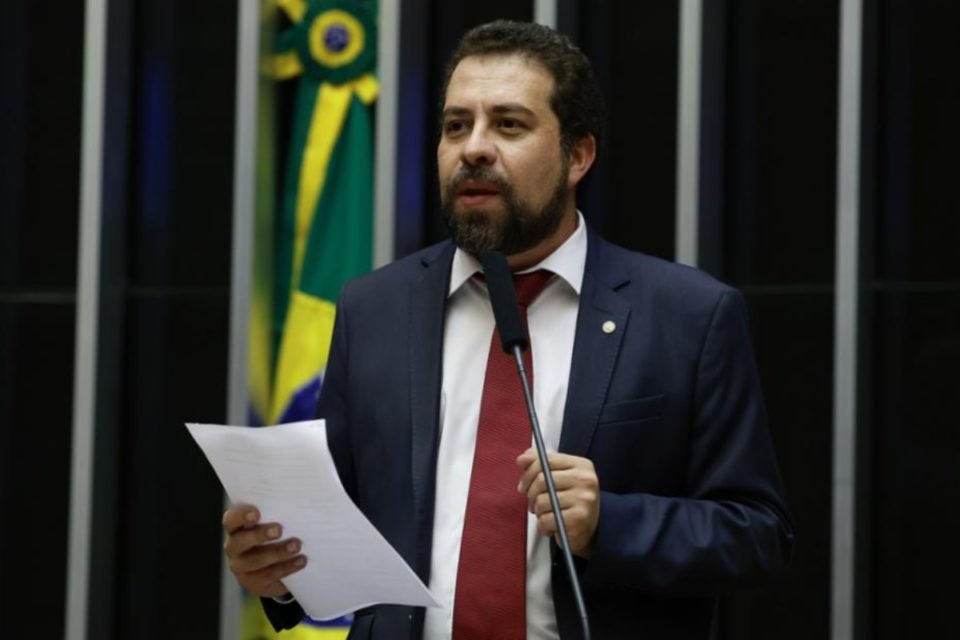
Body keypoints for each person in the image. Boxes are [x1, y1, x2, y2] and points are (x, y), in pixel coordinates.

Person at [222, 20, 794, 640]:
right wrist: (278, 571)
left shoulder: (688, 316)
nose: (474, 148)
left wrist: (612, 523)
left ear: (578, 155)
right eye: (456, 125)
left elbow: (756, 535)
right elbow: (340, 526)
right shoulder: (374, 308)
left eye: (509, 125)